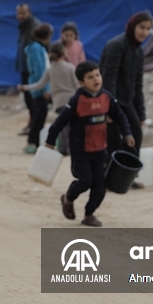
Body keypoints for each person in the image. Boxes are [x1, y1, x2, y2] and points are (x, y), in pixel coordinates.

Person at [45, 60, 134, 228]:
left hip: (100, 150)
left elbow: (120, 116)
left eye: (97, 75)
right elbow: (60, 121)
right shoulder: (77, 100)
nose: (96, 79)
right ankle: (68, 198)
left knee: (100, 186)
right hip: (81, 151)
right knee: (85, 181)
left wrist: (127, 133)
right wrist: (50, 141)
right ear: (81, 82)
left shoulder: (106, 97)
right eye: (90, 77)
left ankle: (89, 214)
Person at [100, 12, 149, 188]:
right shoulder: (116, 45)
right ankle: (108, 179)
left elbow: (138, 84)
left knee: (136, 134)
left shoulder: (139, 52)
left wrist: (141, 113)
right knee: (112, 138)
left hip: (127, 102)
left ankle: (127, 177)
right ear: (133, 26)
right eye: (141, 27)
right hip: (111, 102)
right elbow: (108, 78)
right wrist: (108, 108)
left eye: (148, 29)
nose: (144, 32)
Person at [20, 42, 78, 155]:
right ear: (64, 52)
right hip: (72, 100)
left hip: (59, 102)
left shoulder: (50, 70)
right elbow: (77, 85)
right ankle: (73, 148)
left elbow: (39, 85)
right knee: (73, 125)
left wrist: (25, 87)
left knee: (63, 126)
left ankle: (64, 148)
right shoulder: (70, 67)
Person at [22, 23, 53, 154]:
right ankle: (31, 142)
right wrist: (45, 88)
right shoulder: (36, 48)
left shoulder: (37, 47)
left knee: (40, 115)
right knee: (39, 115)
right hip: (39, 88)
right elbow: (40, 70)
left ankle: (35, 141)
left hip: (38, 86)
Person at [14, 3, 41, 135]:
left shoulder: (35, 26)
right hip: (25, 67)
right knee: (28, 98)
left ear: (29, 12)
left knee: (33, 99)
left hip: (33, 70)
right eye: (19, 13)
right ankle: (32, 123)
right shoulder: (24, 27)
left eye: (23, 13)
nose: (20, 16)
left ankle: (35, 127)